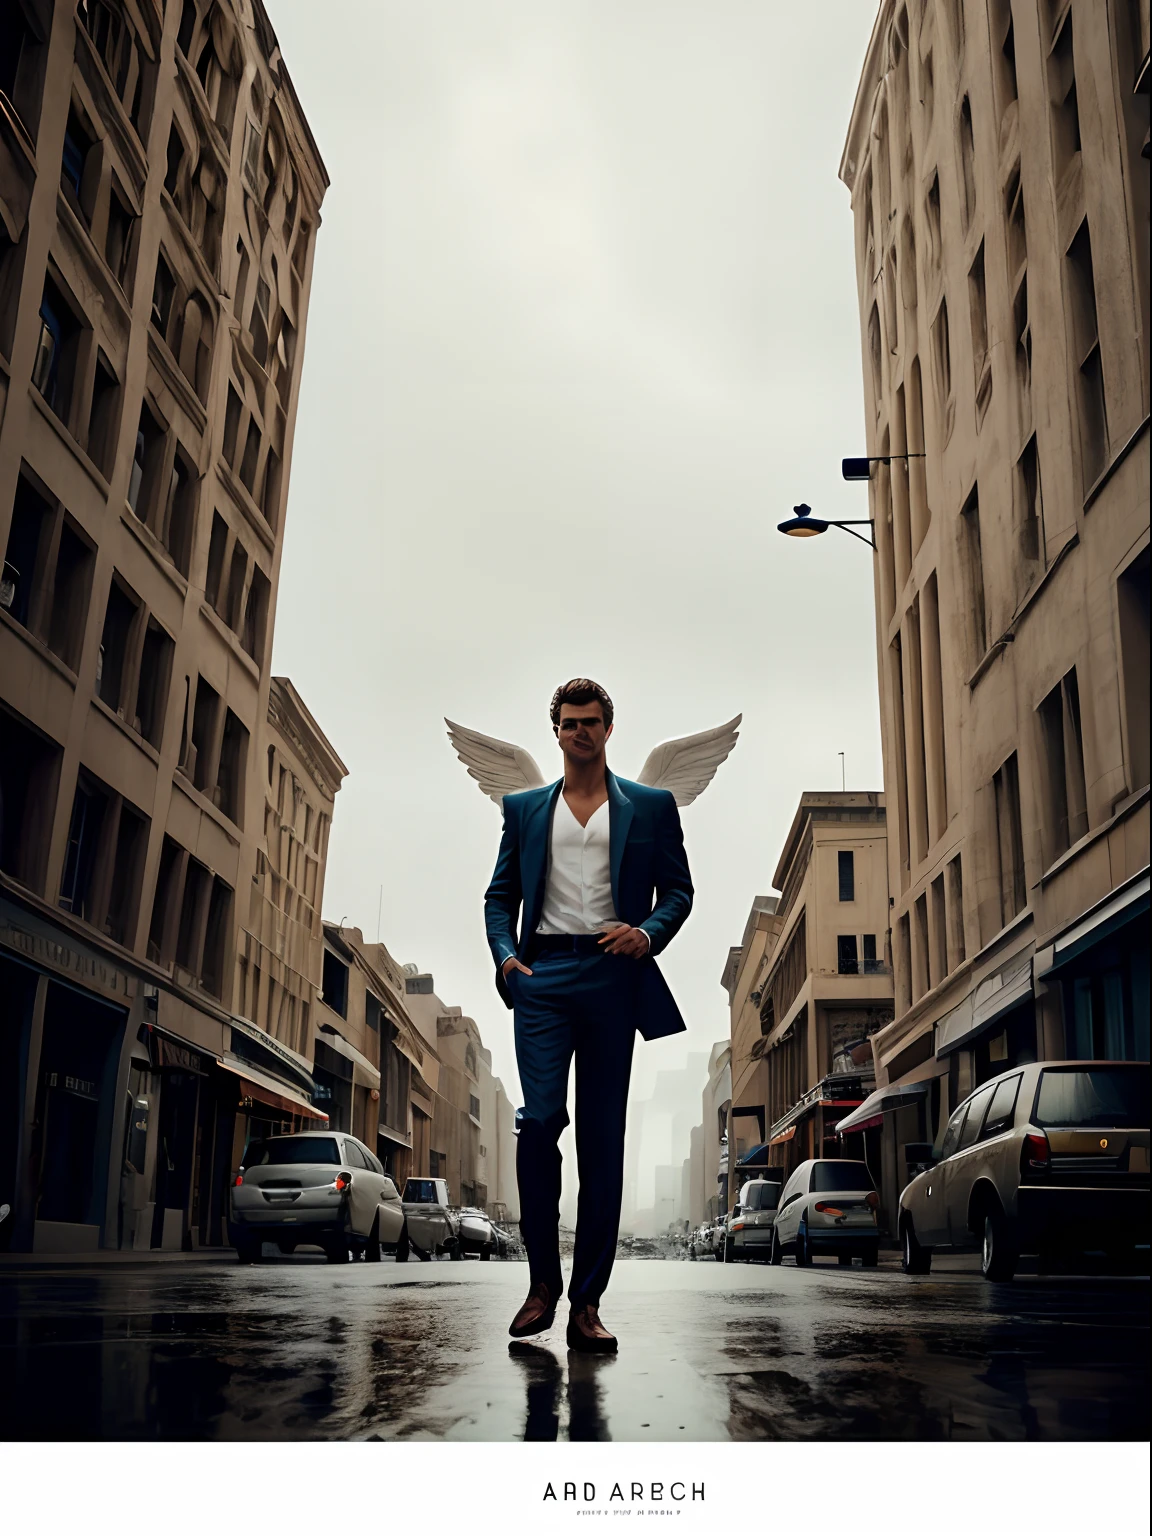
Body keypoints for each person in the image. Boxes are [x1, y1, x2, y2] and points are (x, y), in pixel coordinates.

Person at [484, 678, 694, 1353]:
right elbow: (499, 896)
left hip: (612, 976)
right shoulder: (522, 809)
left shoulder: (652, 806)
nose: (581, 731)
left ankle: (587, 1305)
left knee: (602, 1142)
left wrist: (649, 932)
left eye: (593, 721)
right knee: (539, 1122)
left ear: (609, 729)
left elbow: (680, 890)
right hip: (541, 977)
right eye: (570, 722)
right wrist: (507, 957)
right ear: (557, 732)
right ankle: (541, 1284)